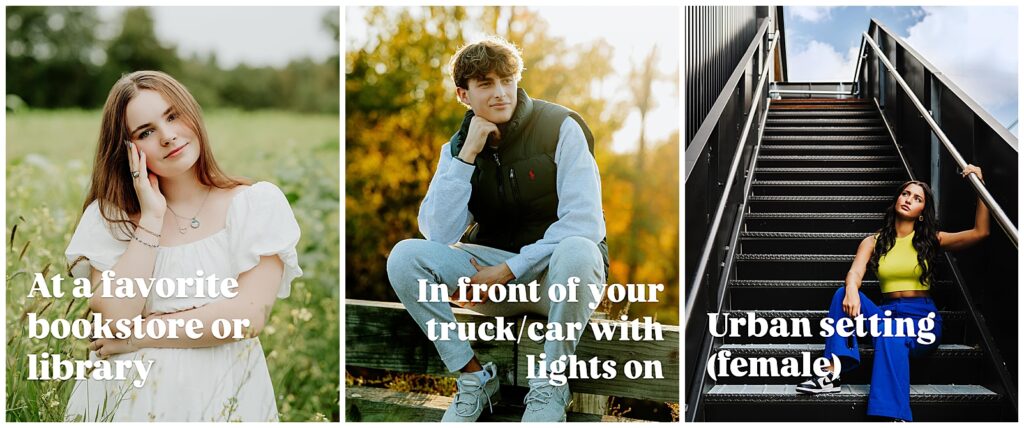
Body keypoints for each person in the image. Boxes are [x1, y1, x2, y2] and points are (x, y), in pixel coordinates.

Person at [385, 36, 609, 422]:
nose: (501, 93)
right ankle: (473, 380)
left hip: (556, 279)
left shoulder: (561, 127)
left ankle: (551, 385)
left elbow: (586, 222)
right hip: (488, 281)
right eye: (485, 84)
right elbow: (438, 233)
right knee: (404, 257)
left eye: (507, 80)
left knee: (579, 247)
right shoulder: (457, 147)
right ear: (463, 94)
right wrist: (467, 155)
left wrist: (508, 270)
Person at [63, 70, 302, 421]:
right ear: (127, 150)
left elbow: (247, 317)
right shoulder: (110, 218)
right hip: (126, 401)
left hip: (223, 395)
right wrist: (151, 218)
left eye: (173, 116)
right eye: (145, 132)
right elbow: (114, 319)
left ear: (192, 113)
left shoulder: (255, 205)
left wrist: (138, 336)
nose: (168, 136)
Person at [795, 165, 990, 421]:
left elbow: (980, 232)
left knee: (892, 336)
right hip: (886, 314)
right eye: (906, 194)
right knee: (844, 292)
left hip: (921, 319)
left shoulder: (932, 239)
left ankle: (892, 417)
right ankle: (831, 373)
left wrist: (979, 183)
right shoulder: (873, 242)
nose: (909, 200)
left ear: (922, 212)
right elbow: (855, 273)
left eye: (917, 198)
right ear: (897, 199)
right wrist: (852, 289)